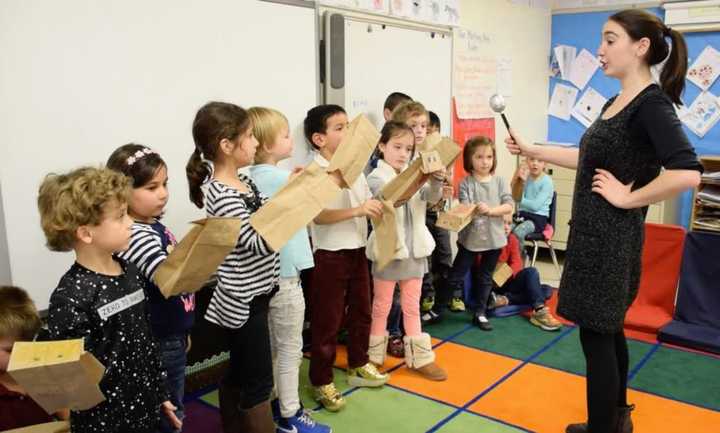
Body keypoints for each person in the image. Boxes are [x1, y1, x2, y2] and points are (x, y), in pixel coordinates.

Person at [505, 9, 703, 433]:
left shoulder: (651, 104)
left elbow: (687, 172)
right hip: (595, 239)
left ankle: (602, 429)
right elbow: (586, 158)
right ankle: (615, 421)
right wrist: (532, 149)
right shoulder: (618, 101)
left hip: (610, 243)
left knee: (597, 337)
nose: (600, 50)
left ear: (641, 46)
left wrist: (628, 196)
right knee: (607, 332)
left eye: (610, 40)